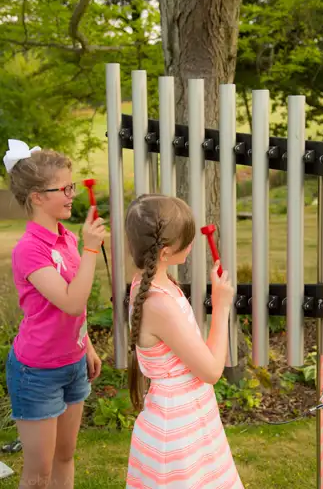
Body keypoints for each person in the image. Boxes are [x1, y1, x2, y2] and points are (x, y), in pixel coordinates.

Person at [3, 139, 105, 489]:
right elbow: (71, 301)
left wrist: (86, 345)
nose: (71, 194)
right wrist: (91, 248)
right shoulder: (29, 250)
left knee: (65, 459)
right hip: (37, 373)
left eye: (71, 186)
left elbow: (77, 311)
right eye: (64, 188)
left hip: (72, 364)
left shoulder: (67, 239)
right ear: (37, 197)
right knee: (38, 475)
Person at [125, 194, 244, 488]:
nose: (192, 245)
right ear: (165, 252)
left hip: (191, 414)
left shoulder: (152, 283)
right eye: (187, 240)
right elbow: (212, 371)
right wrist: (221, 307)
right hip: (176, 430)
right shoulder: (158, 303)